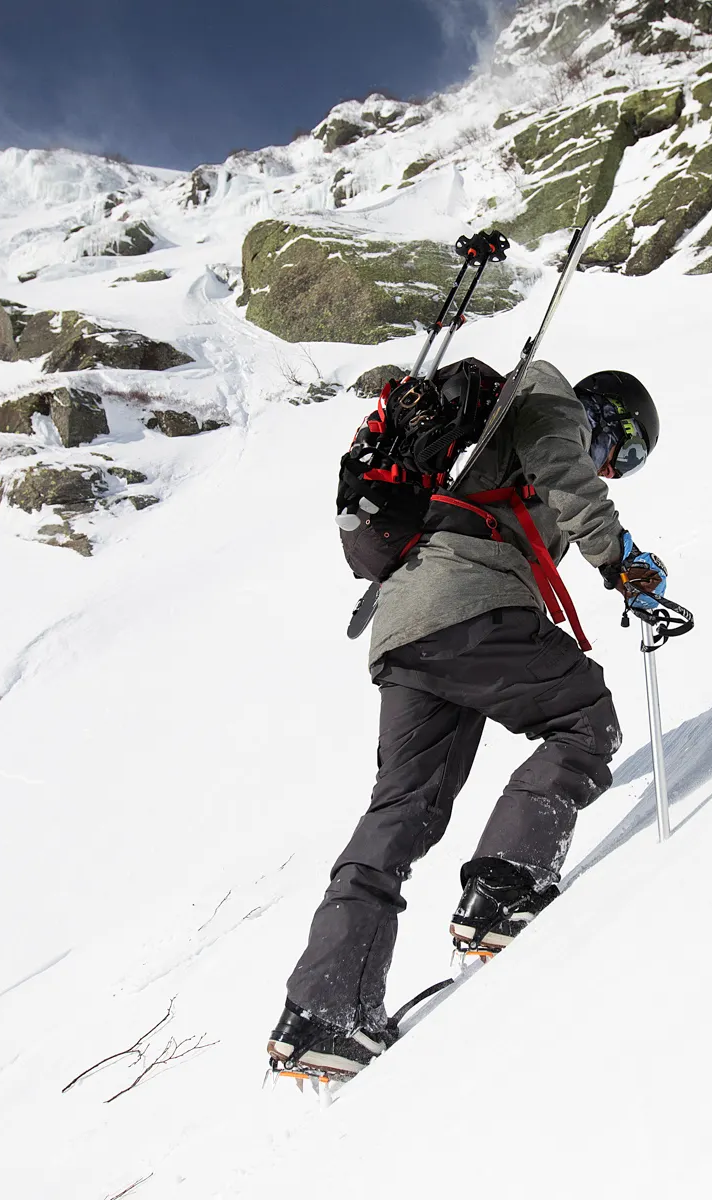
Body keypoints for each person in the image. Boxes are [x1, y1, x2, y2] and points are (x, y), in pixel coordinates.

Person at [267, 361, 667, 1079]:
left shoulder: (481, 445)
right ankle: (505, 887)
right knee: (585, 719)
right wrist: (621, 561)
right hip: (471, 605)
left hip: (406, 628)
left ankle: (325, 1011)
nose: (611, 467)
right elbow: (564, 473)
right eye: (620, 453)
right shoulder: (549, 396)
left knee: (403, 810)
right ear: (611, 419)